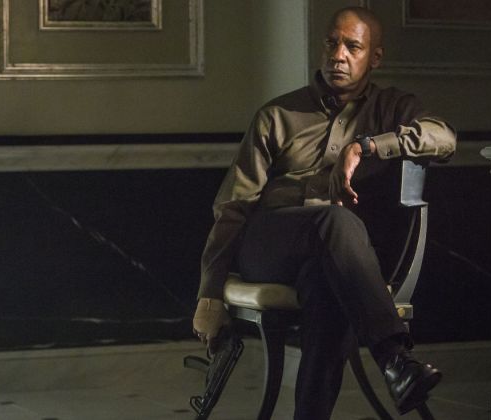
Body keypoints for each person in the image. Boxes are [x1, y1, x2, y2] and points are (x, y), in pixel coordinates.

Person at [192, 6, 456, 419]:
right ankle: (394, 360)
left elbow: (444, 138)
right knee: (335, 220)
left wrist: (366, 146)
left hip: (335, 251)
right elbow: (233, 206)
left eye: (353, 46)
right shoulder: (277, 116)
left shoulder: (390, 107)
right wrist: (209, 292)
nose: (339, 55)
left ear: (375, 57)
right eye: (332, 43)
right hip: (268, 244)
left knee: (327, 284)